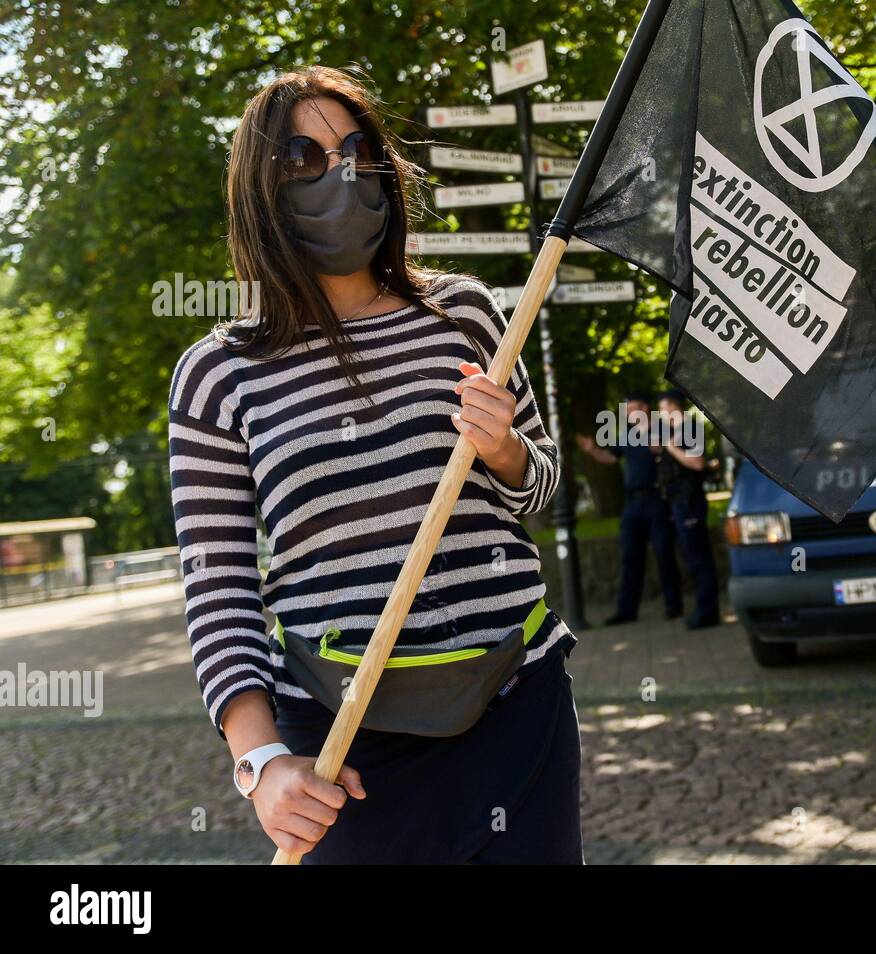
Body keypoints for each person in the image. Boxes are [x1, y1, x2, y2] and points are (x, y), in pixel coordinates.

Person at [166, 67, 582, 863]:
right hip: (341, 747)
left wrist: (504, 451)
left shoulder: (463, 312)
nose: (342, 172)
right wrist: (259, 764)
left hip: (516, 704)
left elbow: (542, 484)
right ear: (262, 188)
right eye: (306, 158)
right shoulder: (219, 374)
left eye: (357, 150)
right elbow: (218, 588)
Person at [575, 392, 682, 625]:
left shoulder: (662, 429)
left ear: (644, 408)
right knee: (630, 556)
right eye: (626, 411)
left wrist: (662, 449)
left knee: (664, 553)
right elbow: (610, 458)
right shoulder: (627, 435)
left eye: (631, 409)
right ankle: (627, 611)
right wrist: (592, 450)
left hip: (658, 499)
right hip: (633, 504)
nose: (628, 414)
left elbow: (678, 455)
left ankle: (674, 606)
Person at [655, 389, 720, 629]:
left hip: (689, 502)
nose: (661, 414)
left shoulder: (690, 430)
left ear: (673, 407)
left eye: (663, 409)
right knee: (692, 557)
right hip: (680, 502)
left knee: (698, 558)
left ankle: (707, 613)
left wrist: (671, 449)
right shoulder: (675, 432)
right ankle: (705, 610)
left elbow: (697, 462)